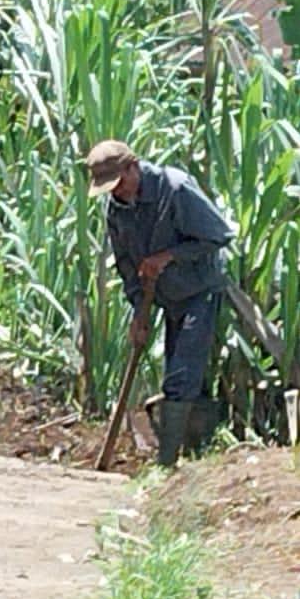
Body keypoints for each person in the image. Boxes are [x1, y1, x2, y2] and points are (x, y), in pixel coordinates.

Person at [86, 140, 235, 466]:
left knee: (181, 375)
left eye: (120, 183)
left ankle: (166, 464)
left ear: (133, 167)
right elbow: (127, 265)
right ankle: (198, 455)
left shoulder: (176, 190)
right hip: (167, 299)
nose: (117, 193)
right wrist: (140, 312)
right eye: (110, 189)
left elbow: (219, 236)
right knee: (185, 374)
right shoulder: (117, 209)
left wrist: (168, 257)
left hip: (199, 290)